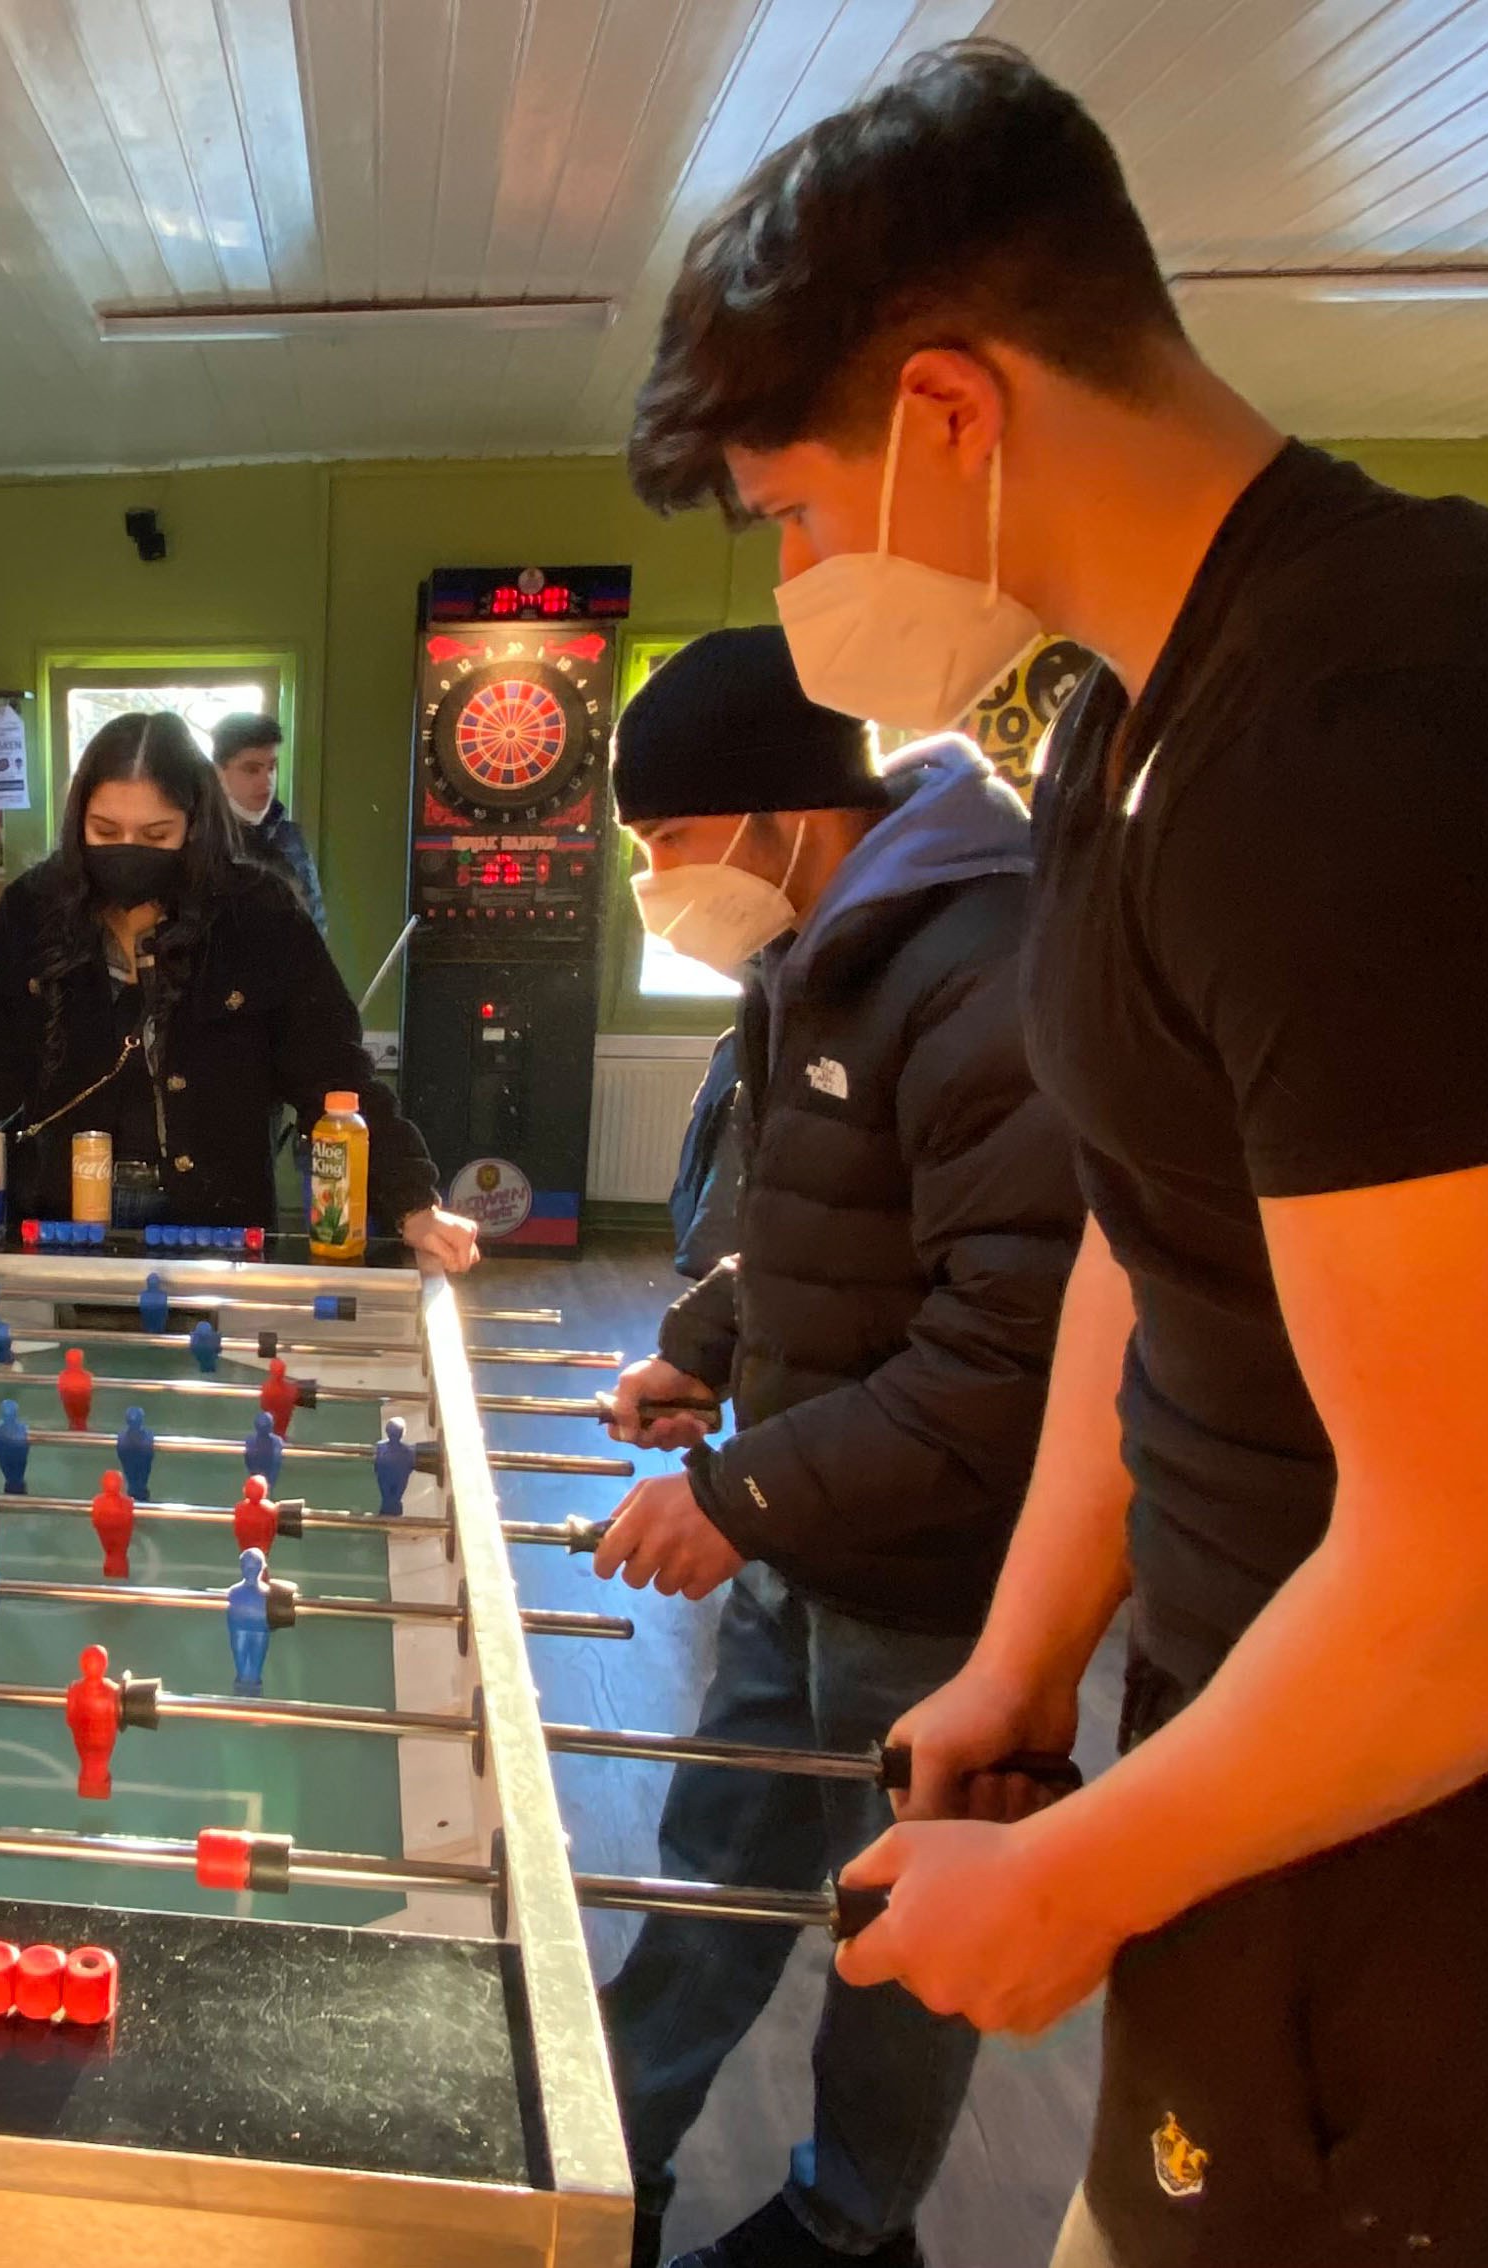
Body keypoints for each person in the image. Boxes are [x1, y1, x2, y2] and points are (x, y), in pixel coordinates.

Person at [631, 43, 1488, 2267]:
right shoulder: (1133, 723)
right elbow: (1145, 1237)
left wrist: (1077, 1875)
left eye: (792, 514)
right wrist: (1022, 1661)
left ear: (948, 411)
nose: (798, 581)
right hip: (1295, 1754)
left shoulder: (1396, 729)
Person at [590, 628, 1079, 2268]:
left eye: (667, 840)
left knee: (894, 1937)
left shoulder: (986, 965)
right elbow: (808, 1218)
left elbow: (1006, 1352)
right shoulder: (819, 944)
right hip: (804, 1533)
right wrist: (703, 1347)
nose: (657, 881)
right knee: (710, 1881)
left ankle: (849, 2226)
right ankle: (609, 2167)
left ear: (778, 812)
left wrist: (734, 1495)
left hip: (926, 1584)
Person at [0, 712, 477, 1269]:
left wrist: (414, 1204)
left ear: (195, 825)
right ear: (78, 820)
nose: (127, 850)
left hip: (216, 1225)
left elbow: (333, 1074)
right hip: (57, 1220)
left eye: (155, 835)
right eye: (105, 831)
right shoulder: (34, 907)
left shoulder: (260, 914)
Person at [211, 712, 321, 924]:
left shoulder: (290, 838)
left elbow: (315, 923)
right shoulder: (199, 838)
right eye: (251, 770)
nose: (267, 781)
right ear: (218, 772)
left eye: (271, 767)